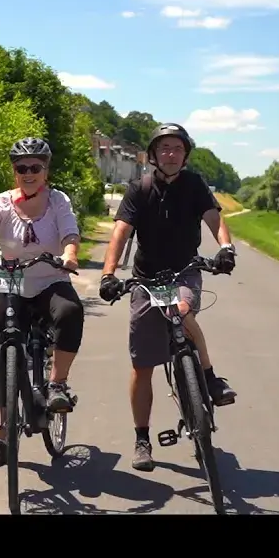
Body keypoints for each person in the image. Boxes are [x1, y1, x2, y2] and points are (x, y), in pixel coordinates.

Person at [99, 123, 238, 472]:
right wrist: (109, 273)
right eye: (164, 149)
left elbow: (213, 219)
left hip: (184, 271)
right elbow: (120, 232)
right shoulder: (139, 189)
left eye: (177, 148)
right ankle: (142, 439)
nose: (171, 154)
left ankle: (208, 377)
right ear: (153, 155)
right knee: (142, 364)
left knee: (182, 309)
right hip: (146, 279)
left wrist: (226, 247)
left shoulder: (195, 186)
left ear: (185, 154)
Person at [0, 137, 85, 470]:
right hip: (10, 281)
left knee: (70, 311)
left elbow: (69, 233)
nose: (29, 173)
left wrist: (69, 254)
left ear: (46, 170)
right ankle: (0, 437)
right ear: (14, 171)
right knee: (6, 355)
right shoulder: (1, 203)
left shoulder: (58, 201)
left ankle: (57, 383)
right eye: (22, 168)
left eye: (36, 167)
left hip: (50, 279)